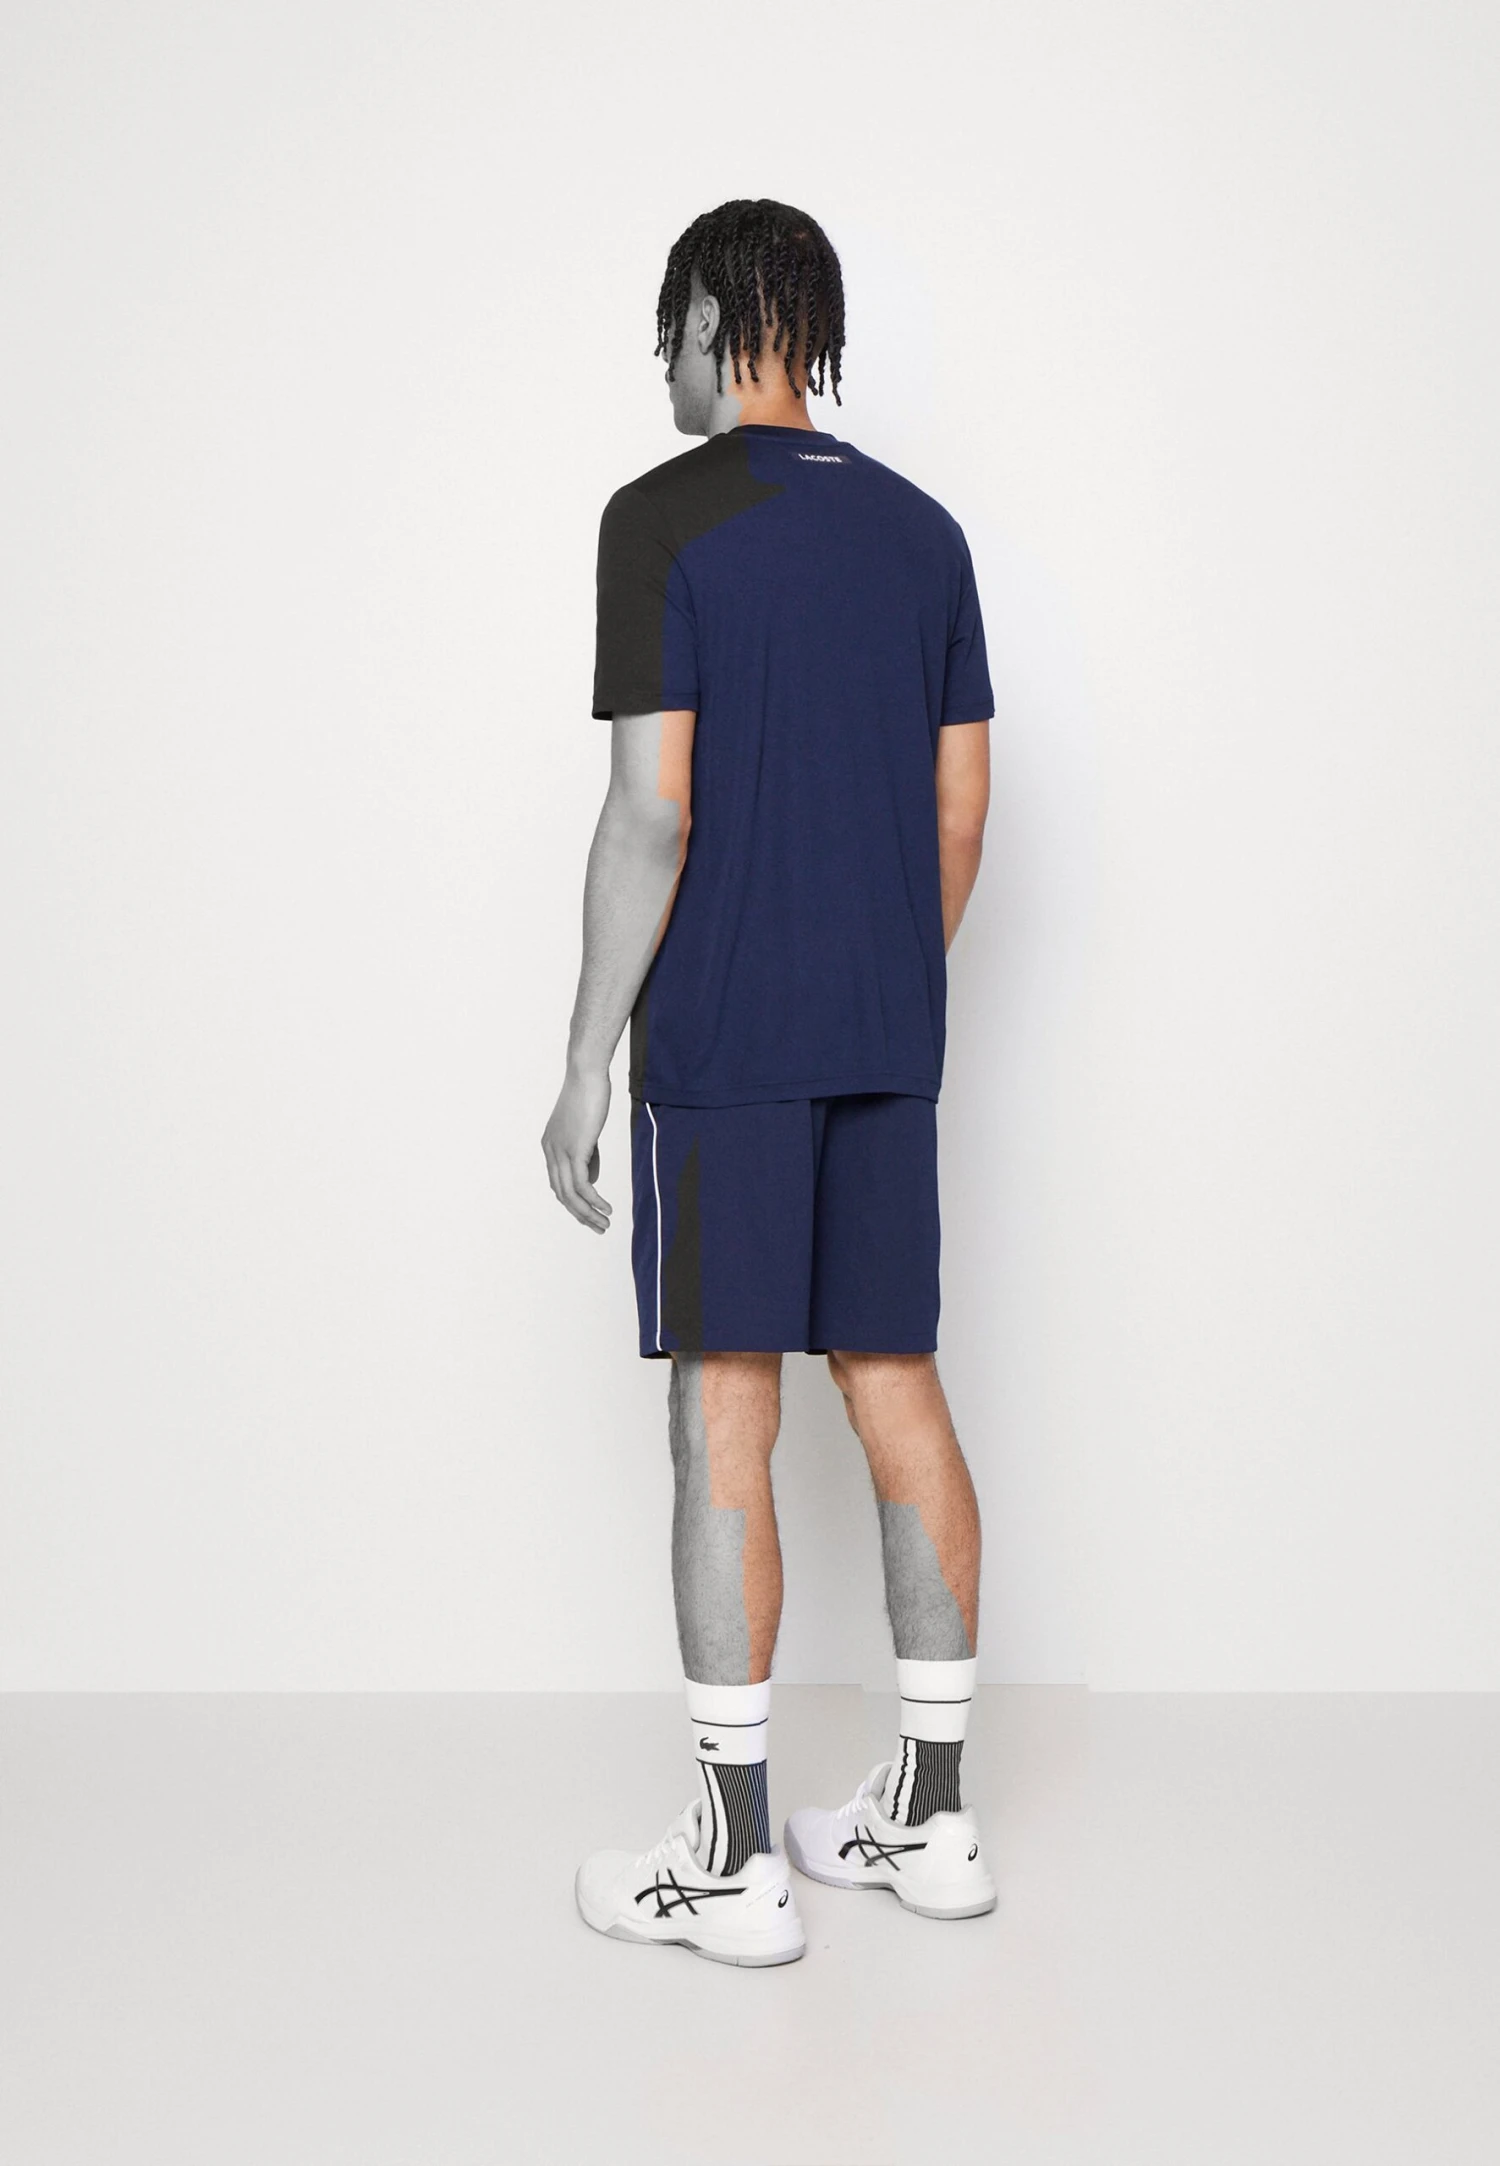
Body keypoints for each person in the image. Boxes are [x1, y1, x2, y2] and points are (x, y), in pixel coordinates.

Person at [542, 199, 996, 1966]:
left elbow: (652, 810)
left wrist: (586, 1054)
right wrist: (880, 974)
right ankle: (933, 1818)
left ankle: (732, 1859)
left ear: (712, 323)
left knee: (724, 1402)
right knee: (898, 1382)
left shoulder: (661, 518)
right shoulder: (926, 535)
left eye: (664, 336)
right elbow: (961, 812)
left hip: (724, 1041)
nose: (659, 372)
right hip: (887, 1032)